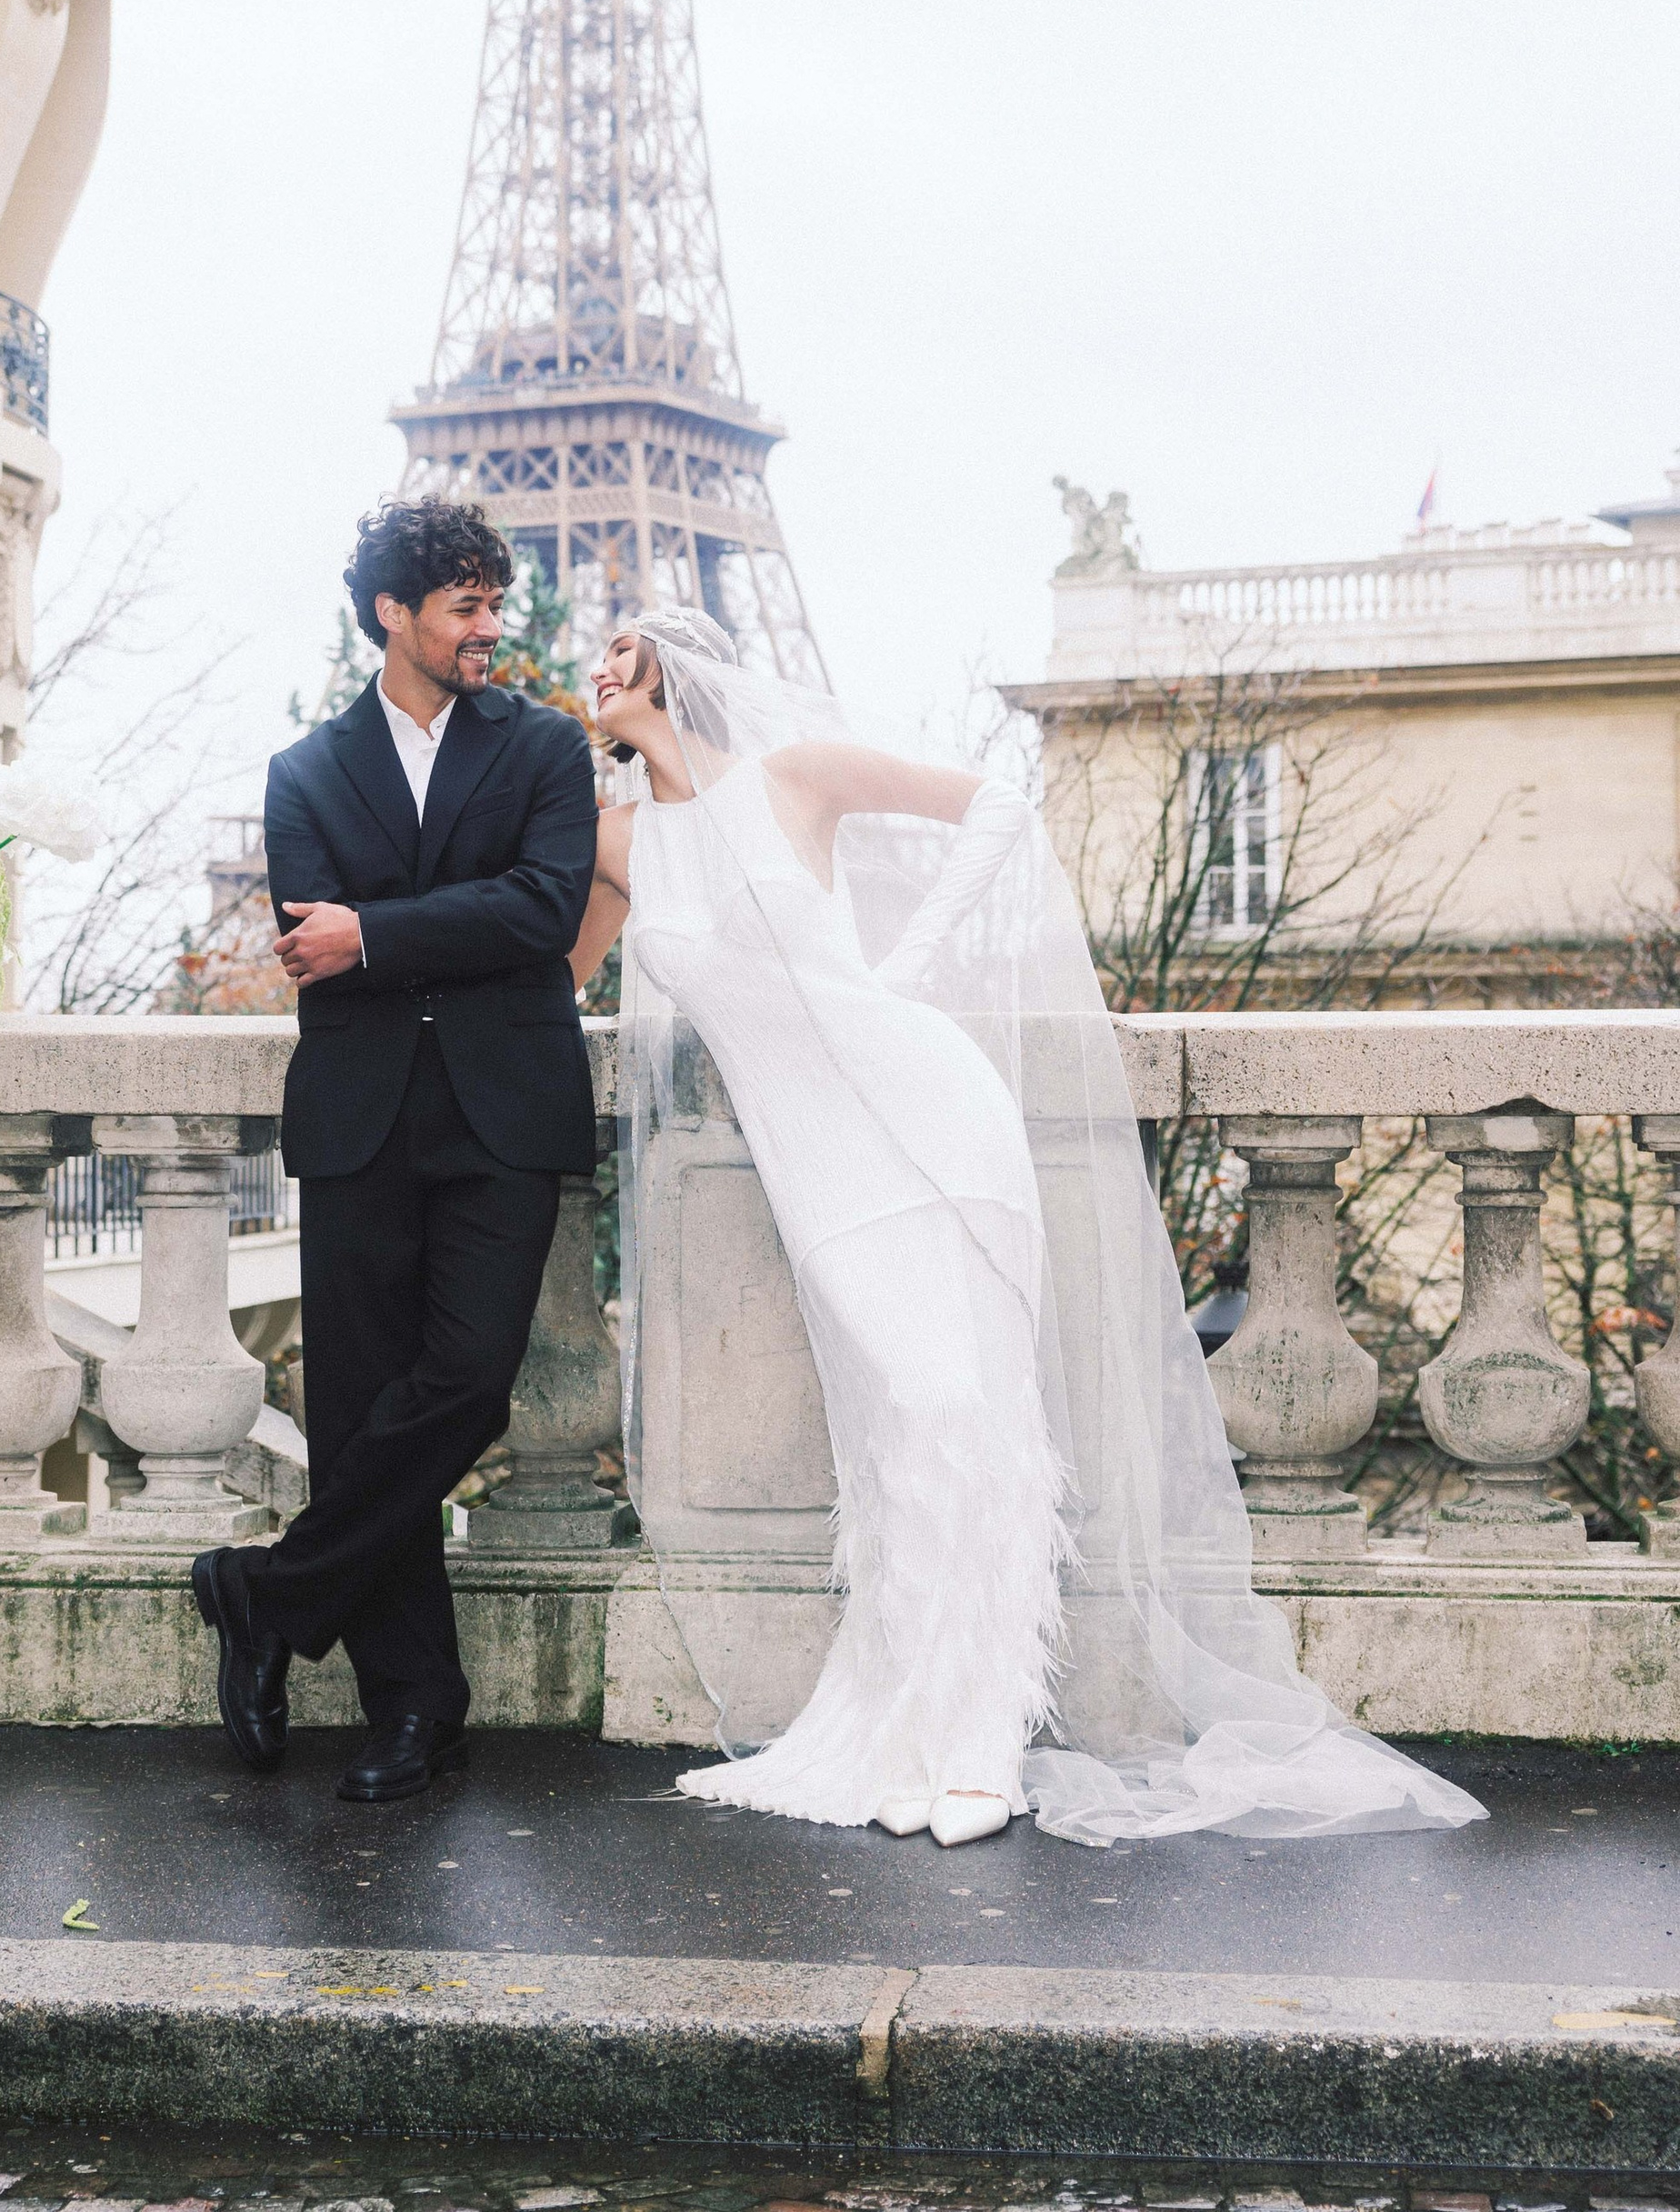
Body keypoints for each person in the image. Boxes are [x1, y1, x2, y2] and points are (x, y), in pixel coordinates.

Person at [574, 604, 1485, 1853]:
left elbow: (999, 807)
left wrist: (905, 973)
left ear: (671, 671)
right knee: (898, 1441)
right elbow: (558, 972)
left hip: (926, 1114)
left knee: (965, 1415)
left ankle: (982, 1741)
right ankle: (912, 1724)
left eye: (618, 650)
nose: (596, 667)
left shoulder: (794, 775)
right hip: (820, 1169)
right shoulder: (623, 841)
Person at [191, 501, 598, 1804]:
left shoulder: (542, 746)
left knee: (469, 1381)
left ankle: (264, 1591)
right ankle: (416, 1710)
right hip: (363, 1114)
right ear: (393, 615)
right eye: (466, 607)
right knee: (367, 1413)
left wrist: (378, 934)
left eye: (495, 604)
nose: (493, 629)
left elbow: (544, 912)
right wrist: (388, 938)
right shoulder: (304, 771)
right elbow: (312, 947)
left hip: (503, 1112)